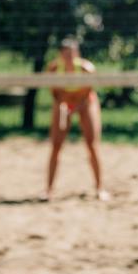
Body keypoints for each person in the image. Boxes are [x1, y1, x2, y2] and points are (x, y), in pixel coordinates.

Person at [44, 37, 109, 201]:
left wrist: (78, 106)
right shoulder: (53, 69)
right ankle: (49, 190)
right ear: (60, 55)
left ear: (77, 54)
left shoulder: (87, 69)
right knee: (56, 145)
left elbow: (88, 92)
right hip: (63, 104)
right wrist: (65, 108)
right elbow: (55, 93)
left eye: (71, 54)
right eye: (65, 54)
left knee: (92, 145)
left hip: (86, 103)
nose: (68, 58)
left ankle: (100, 187)